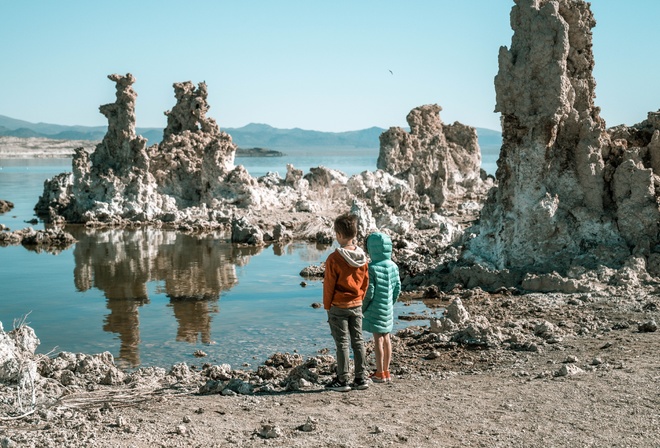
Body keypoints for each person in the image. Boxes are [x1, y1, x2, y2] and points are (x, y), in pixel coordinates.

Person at [323, 212, 370, 392]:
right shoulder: (362, 258)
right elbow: (366, 282)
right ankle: (361, 377)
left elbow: (329, 285)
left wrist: (328, 306)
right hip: (356, 304)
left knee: (342, 343)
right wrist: (360, 298)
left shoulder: (334, 258)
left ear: (339, 235)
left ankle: (343, 380)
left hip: (338, 306)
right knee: (358, 341)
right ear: (355, 234)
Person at [362, 232, 401, 383]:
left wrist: (362, 308)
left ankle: (378, 373)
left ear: (371, 249)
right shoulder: (393, 266)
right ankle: (386, 371)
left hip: (374, 309)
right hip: (387, 308)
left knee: (377, 339)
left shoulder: (371, 268)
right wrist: (391, 303)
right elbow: (397, 288)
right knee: (387, 338)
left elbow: (369, 292)